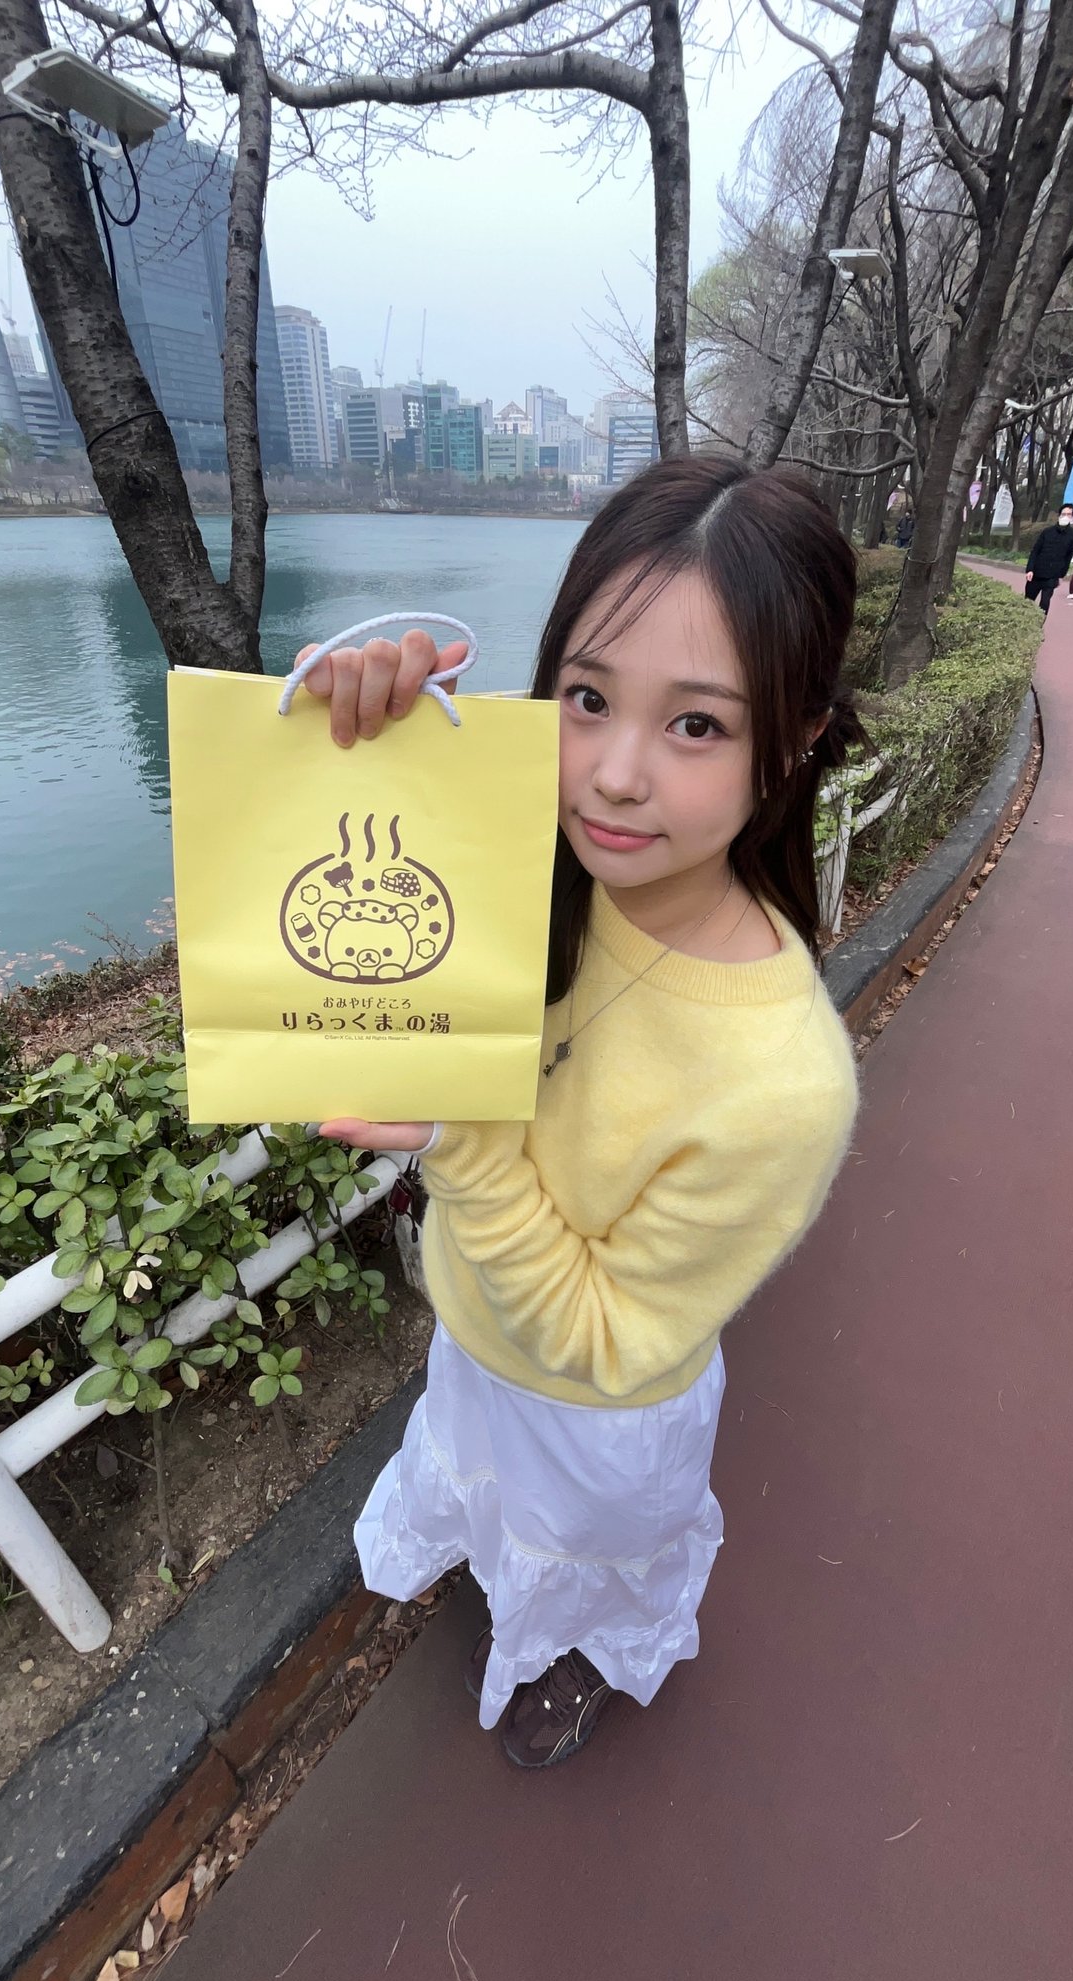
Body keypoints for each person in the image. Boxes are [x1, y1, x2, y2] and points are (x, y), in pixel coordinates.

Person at [298, 456, 861, 1768]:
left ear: (793, 736)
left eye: (696, 725)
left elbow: (605, 1340)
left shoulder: (783, 1083)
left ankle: (588, 1653)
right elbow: (352, 892)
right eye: (589, 698)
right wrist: (362, 737)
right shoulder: (526, 860)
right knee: (485, 1491)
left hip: (600, 1412)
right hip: (478, 1333)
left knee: (586, 1560)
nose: (611, 775)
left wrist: (461, 1139)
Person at [1024, 505, 1073, 612]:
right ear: (1059, 515)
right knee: (1028, 601)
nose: (1065, 516)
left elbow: (1068, 556)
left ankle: (1040, 621)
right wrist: (1030, 569)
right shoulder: (1047, 531)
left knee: (1045, 603)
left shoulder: (1072, 534)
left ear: (1072, 516)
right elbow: (1035, 551)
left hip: (1053, 575)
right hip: (1037, 572)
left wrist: (1061, 575)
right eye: (1063, 514)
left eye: (1069, 514)